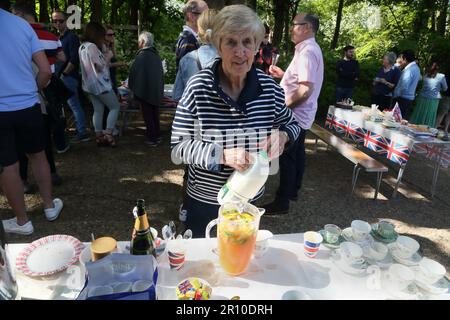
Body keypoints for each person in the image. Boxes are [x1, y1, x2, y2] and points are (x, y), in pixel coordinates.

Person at [171, 5, 300, 237]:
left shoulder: (269, 88)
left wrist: (284, 135)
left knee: (241, 262)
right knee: (204, 265)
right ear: (218, 46)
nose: (240, 52)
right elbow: (179, 146)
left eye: (247, 42)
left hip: (248, 201)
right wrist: (222, 155)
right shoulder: (199, 87)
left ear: (256, 45)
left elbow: (293, 124)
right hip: (205, 201)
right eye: (231, 42)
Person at [0, 5, 63, 235]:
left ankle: (22, 221)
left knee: (8, 165)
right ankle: (49, 207)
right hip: (28, 104)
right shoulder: (22, 26)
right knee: (39, 155)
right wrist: (31, 90)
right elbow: (46, 70)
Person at [263, 13, 324, 215]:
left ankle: (282, 202)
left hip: (295, 116)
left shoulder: (307, 51)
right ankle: (293, 191)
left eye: (294, 25)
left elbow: (304, 90)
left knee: (287, 158)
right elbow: (302, 81)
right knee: (297, 155)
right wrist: (283, 75)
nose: (291, 28)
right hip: (303, 115)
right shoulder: (309, 49)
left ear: (306, 27)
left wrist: (282, 108)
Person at [12, 2, 67, 191]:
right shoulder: (51, 36)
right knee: (43, 138)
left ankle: (23, 180)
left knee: (19, 141)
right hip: (46, 90)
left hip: (22, 92)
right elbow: (62, 58)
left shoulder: (15, 36)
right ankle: (51, 172)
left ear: (18, 14)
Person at [79, 22, 120, 147]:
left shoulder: (82, 46)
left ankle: (99, 136)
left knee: (98, 109)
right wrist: (108, 57)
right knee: (115, 106)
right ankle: (108, 134)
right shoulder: (92, 47)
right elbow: (99, 66)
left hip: (89, 85)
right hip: (100, 84)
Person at [52, 9, 90, 143]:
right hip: (59, 78)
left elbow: (74, 59)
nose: (57, 23)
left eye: (60, 21)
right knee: (63, 106)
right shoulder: (58, 38)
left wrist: (64, 74)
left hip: (68, 78)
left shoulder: (71, 37)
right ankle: (70, 131)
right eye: (54, 21)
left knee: (74, 105)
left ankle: (82, 132)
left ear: (67, 21)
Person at [173, 9, 219, 101]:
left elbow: (177, 95)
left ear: (199, 29)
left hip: (195, 113)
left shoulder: (186, 59)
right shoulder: (231, 58)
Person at [128, 32, 164, 147]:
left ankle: (152, 138)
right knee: (155, 115)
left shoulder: (141, 56)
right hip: (156, 91)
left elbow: (133, 74)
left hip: (144, 92)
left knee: (148, 116)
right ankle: (157, 136)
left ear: (143, 43)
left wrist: (132, 88)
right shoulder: (156, 56)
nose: (138, 44)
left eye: (139, 41)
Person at [410, 61, 448, 127]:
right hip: (433, 100)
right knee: (429, 116)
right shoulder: (441, 76)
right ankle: (426, 131)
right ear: (439, 68)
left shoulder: (425, 75)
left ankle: (414, 128)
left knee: (419, 114)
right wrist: (438, 89)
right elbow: (445, 88)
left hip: (422, 98)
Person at [175, 0, 208, 70]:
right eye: (205, 14)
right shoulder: (187, 40)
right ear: (192, 16)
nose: (208, 18)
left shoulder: (191, 37)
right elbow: (189, 75)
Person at [392, 50, 421, 120]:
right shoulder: (416, 68)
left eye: (401, 58)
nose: (401, 61)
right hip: (408, 98)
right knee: (401, 120)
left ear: (405, 59)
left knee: (396, 120)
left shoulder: (410, 70)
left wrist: (395, 95)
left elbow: (404, 86)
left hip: (403, 98)